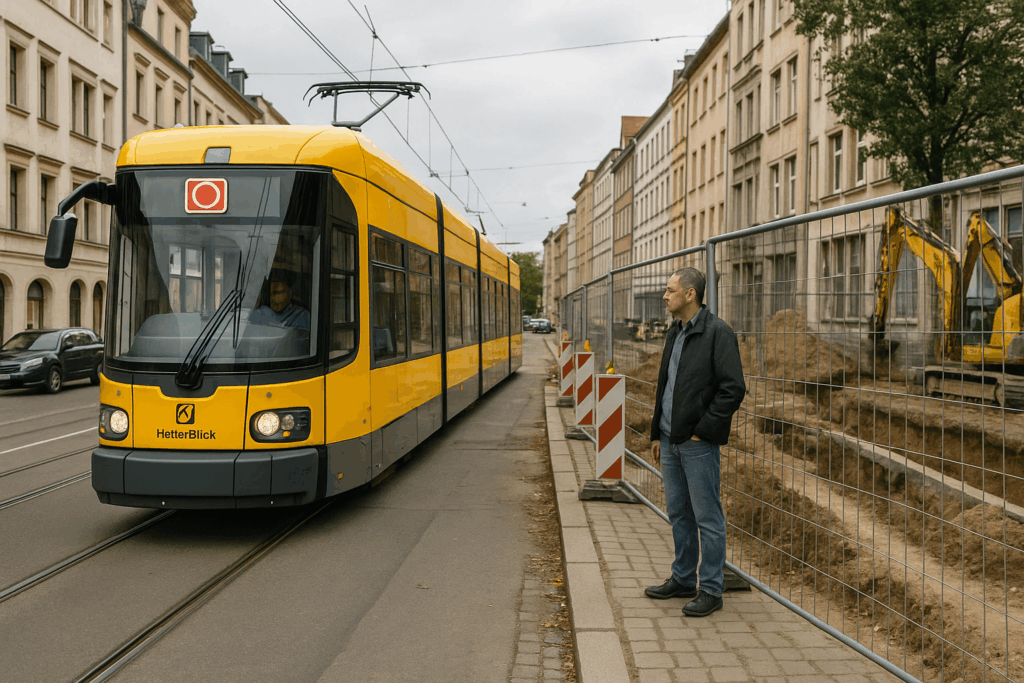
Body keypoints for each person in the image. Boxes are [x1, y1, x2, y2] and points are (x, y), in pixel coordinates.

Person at [644, 267, 746, 617]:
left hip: (697, 442)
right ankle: (684, 578)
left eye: (670, 290)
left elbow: (733, 388)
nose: (664, 296)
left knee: (707, 517)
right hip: (671, 441)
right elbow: (665, 385)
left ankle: (712, 590)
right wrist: (657, 432)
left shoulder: (718, 333)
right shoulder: (675, 332)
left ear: (690, 294)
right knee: (679, 512)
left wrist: (704, 430)